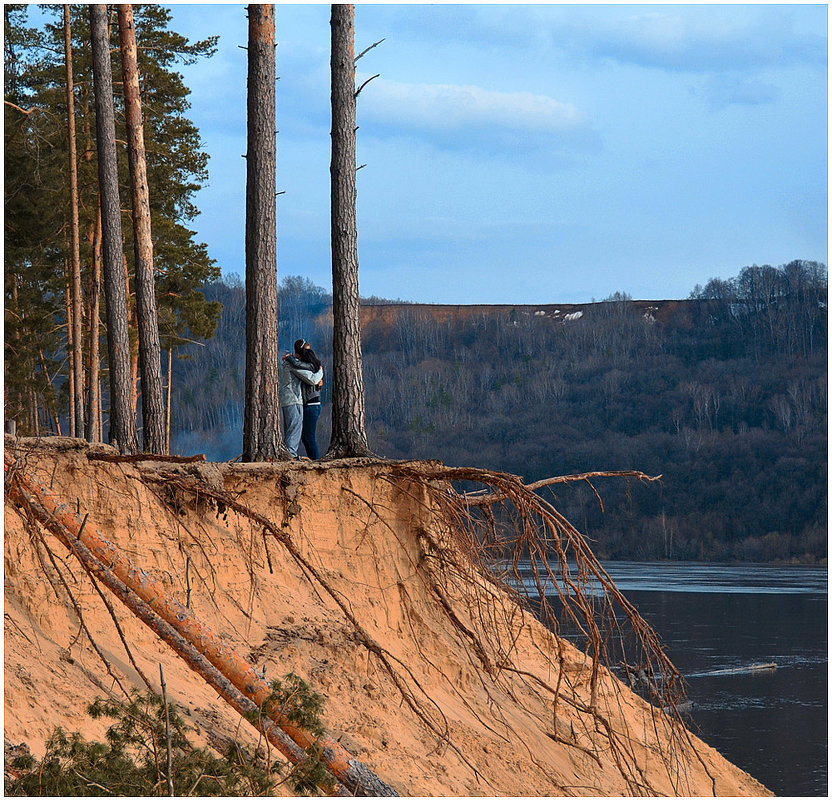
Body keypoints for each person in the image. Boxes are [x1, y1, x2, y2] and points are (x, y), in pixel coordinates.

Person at [279, 339, 323, 458]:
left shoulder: (293, 363)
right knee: (295, 431)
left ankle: (290, 455)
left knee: (297, 433)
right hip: (294, 400)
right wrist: (320, 372)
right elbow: (312, 379)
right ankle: (291, 456)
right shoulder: (293, 364)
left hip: (292, 400)